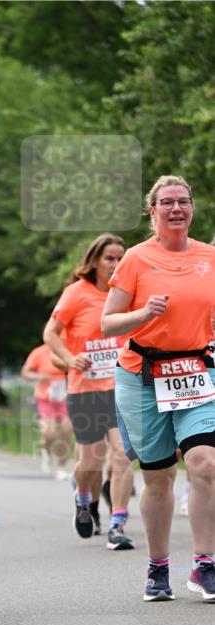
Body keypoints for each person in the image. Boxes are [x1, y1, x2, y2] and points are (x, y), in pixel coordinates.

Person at [102, 175, 215, 602]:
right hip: (142, 376)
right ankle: (158, 566)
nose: (176, 209)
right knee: (160, 476)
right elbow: (108, 322)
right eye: (166, 202)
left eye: (183, 201)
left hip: (197, 371)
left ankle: (204, 565)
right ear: (152, 211)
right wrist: (143, 314)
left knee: (205, 463)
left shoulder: (210, 257)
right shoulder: (134, 259)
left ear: (192, 208)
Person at [43, 234, 136, 550]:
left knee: (122, 454)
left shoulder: (128, 293)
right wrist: (71, 359)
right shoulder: (76, 293)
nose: (116, 264)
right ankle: (83, 498)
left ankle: (118, 523)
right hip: (86, 390)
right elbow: (50, 334)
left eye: (121, 258)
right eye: (110, 258)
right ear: (95, 261)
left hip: (123, 386)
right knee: (90, 462)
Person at [21, 342, 72, 479]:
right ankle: (47, 451)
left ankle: (62, 467)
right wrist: (39, 377)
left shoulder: (69, 349)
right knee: (49, 432)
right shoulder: (39, 352)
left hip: (65, 396)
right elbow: (25, 372)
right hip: (45, 398)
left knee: (66, 431)